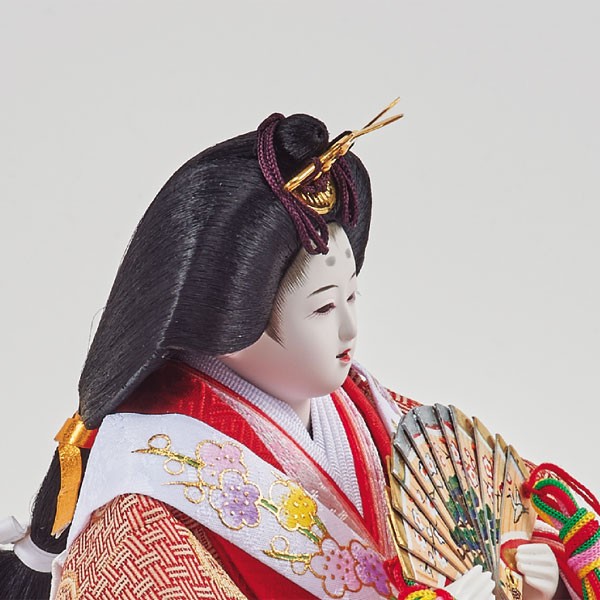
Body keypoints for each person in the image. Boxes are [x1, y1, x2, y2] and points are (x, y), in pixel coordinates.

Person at [0, 107, 566, 599]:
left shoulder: (376, 414)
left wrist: (534, 581)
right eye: (323, 308)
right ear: (229, 320)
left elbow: (528, 514)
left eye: (352, 296)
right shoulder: (140, 502)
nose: (350, 327)